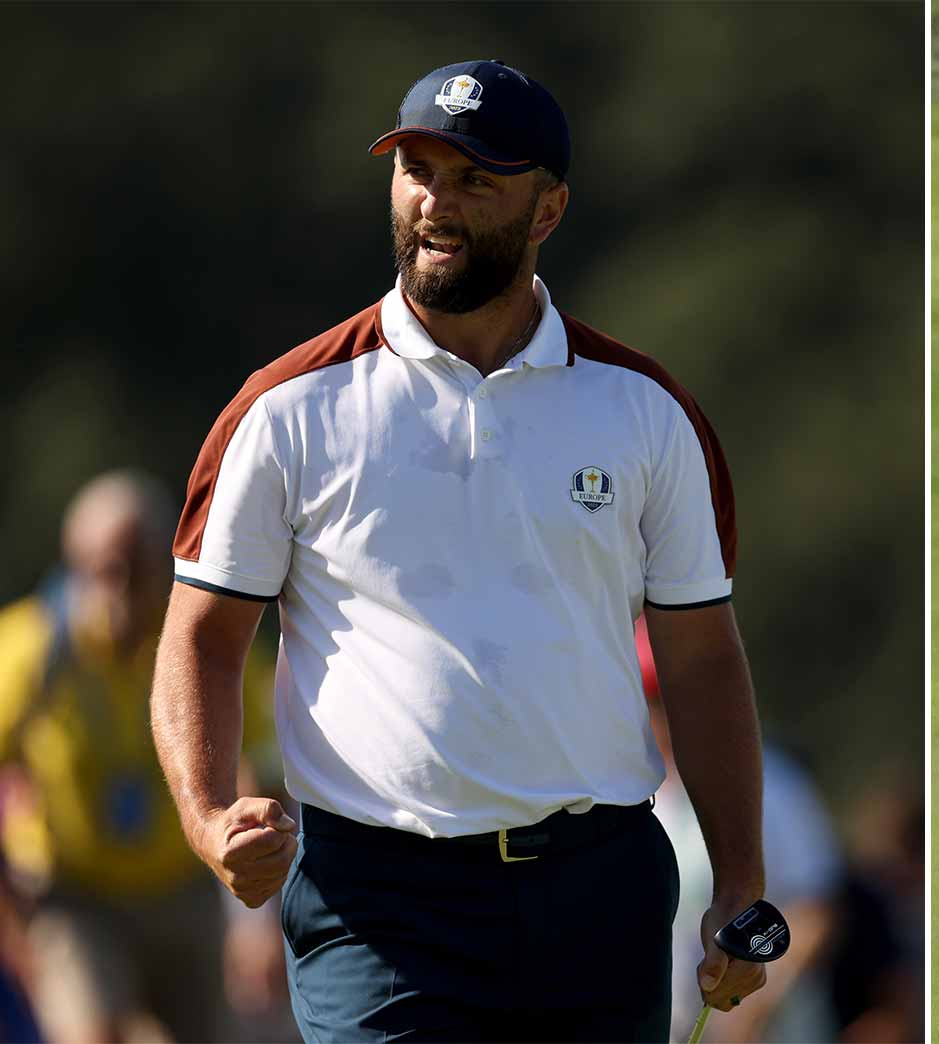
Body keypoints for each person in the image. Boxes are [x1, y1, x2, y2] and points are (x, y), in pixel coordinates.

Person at [150, 59, 769, 1042]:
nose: (435, 202)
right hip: (378, 902)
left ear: (548, 209)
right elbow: (202, 639)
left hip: (598, 889)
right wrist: (207, 817)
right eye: (417, 172)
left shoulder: (645, 411)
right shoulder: (283, 408)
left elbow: (699, 658)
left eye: (475, 179)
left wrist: (740, 881)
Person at [0, 471, 280, 1043]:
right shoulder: (29, 651)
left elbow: (263, 770)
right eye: (104, 571)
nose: (120, 591)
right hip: (76, 894)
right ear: (73, 566)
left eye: (137, 570)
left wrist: (260, 922)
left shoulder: (201, 642)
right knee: (92, 1031)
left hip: (184, 885)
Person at [640, 620, 841, 1043]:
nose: (657, 717)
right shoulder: (633, 795)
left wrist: (753, 1013)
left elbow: (814, 911)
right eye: (646, 702)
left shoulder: (772, 783)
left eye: (664, 701)